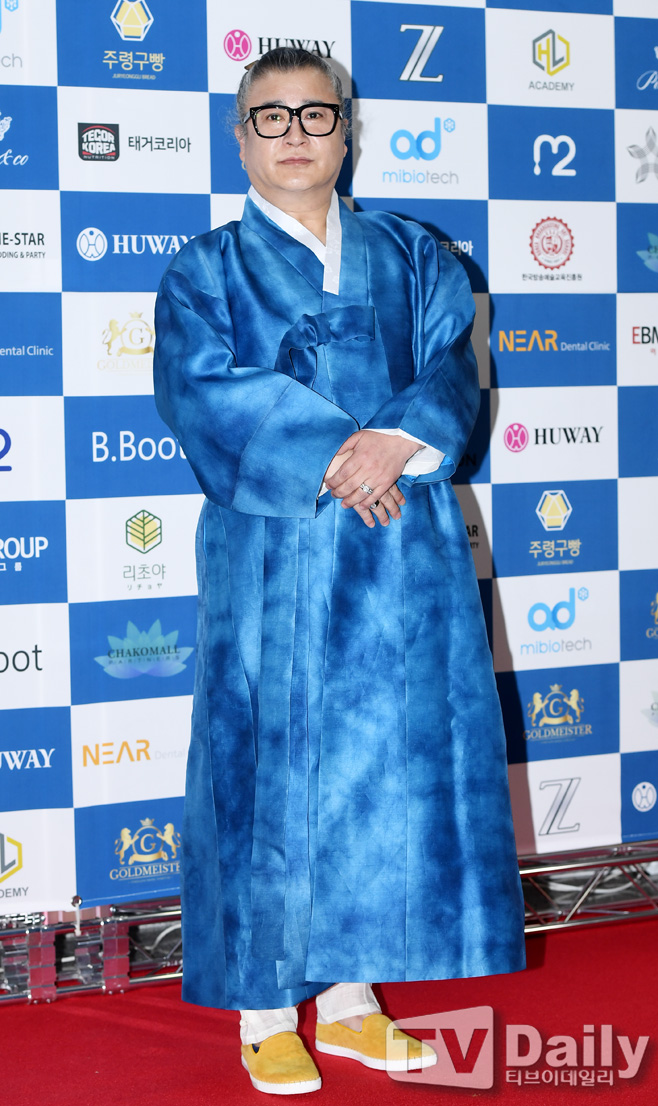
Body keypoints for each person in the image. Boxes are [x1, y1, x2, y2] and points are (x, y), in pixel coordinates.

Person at [153, 46, 525, 1096]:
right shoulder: (205, 270)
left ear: (346, 130)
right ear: (241, 138)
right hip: (275, 553)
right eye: (270, 117)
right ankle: (266, 1011)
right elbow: (196, 390)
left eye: (315, 115)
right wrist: (331, 454)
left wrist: (394, 441)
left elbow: (453, 364)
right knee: (265, 769)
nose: (295, 135)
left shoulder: (411, 253)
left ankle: (355, 1002)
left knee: (385, 771)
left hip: (401, 553)